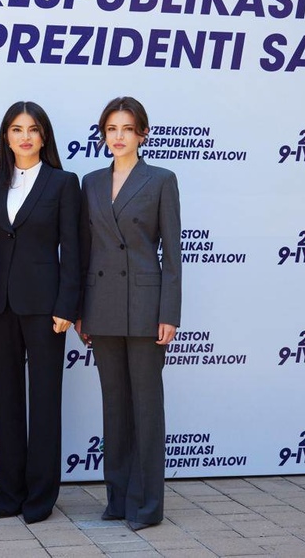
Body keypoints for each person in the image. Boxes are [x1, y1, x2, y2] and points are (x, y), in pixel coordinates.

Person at [76, 96, 181, 532]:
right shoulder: (91, 182)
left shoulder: (161, 180)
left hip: (144, 308)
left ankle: (147, 505)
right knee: (115, 407)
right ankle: (117, 500)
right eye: (111, 129)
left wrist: (169, 312)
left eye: (127, 129)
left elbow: (172, 253)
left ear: (143, 134)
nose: (118, 137)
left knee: (146, 408)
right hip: (101, 306)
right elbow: (84, 252)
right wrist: (80, 311)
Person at [0, 101, 81, 524]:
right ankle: (9, 495)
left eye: (33, 129)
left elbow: (73, 249)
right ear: (6, 136)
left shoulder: (63, 182)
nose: (25, 136)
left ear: (44, 136)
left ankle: (40, 499)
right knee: (4, 402)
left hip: (45, 309)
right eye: (17, 129)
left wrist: (67, 305)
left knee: (44, 402)